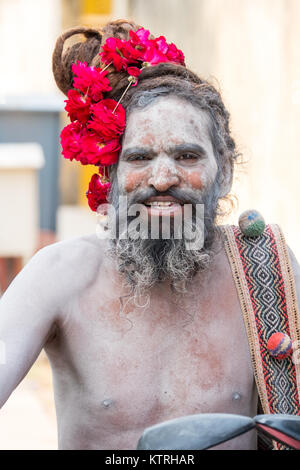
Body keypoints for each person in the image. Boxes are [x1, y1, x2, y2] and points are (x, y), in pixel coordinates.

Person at [0, 19, 299, 451]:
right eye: (139, 157)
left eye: (187, 155)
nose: (162, 177)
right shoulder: (60, 275)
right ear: (109, 172)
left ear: (225, 169)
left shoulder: (264, 270)